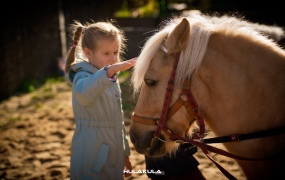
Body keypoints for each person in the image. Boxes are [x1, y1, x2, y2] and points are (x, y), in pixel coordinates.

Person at [64, 19, 136, 180]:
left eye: (116, 52)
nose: (113, 58)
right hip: (92, 156)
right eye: (106, 53)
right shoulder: (83, 75)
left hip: (114, 152)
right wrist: (108, 71)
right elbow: (83, 94)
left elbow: (118, 121)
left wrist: (124, 155)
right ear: (88, 52)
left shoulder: (109, 77)